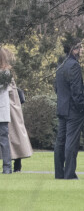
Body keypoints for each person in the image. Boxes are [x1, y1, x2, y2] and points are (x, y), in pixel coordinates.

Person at [54, 36, 84, 179]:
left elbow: (56, 88)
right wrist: (81, 107)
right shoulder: (74, 66)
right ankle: (69, 173)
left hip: (62, 107)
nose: (81, 50)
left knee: (60, 141)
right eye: (79, 48)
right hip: (73, 110)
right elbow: (77, 91)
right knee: (71, 142)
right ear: (74, 50)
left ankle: (59, 173)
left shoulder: (60, 64)